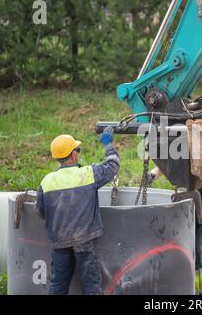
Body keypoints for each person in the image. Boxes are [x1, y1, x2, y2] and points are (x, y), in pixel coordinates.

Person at [36, 126, 119, 295]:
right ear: (74, 154)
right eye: (77, 150)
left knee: (58, 286)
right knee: (91, 287)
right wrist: (108, 145)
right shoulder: (87, 174)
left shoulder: (46, 182)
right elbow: (113, 166)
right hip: (84, 240)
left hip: (59, 241)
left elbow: (41, 211)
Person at [147, 168, 202, 295]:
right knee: (186, 251)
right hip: (188, 208)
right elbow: (174, 160)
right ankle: (191, 290)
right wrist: (155, 172)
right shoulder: (183, 149)